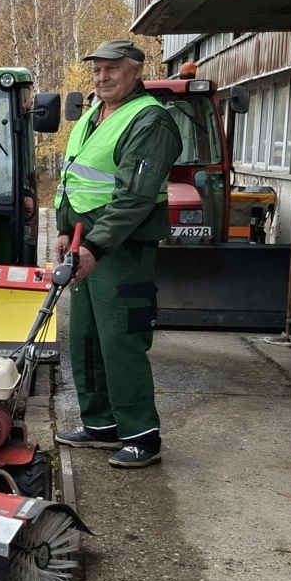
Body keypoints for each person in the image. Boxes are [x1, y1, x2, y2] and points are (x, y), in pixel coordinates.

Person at [54, 39, 182, 469]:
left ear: (135, 71)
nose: (102, 77)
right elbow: (76, 175)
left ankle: (142, 434)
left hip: (121, 249)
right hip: (86, 241)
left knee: (121, 340)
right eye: (97, 70)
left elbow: (134, 198)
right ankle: (101, 424)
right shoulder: (94, 114)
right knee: (86, 338)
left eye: (112, 69)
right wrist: (63, 230)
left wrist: (92, 246)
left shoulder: (150, 122)